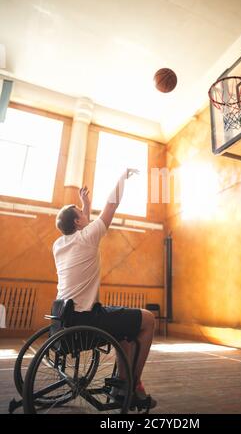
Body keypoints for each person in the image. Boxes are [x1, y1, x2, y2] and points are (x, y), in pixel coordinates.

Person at [53, 168, 156, 409]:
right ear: (78, 222)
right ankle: (133, 384)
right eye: (81, 213)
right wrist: (122, 177)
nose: (84, 214)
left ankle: (122, 380)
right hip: (86, 319)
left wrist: (84, 204)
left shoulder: (59, 244)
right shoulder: (88, 237)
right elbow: (112, 204)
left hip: (65, 317)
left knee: (126, 336)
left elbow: (81, 227)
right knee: (148, 320)